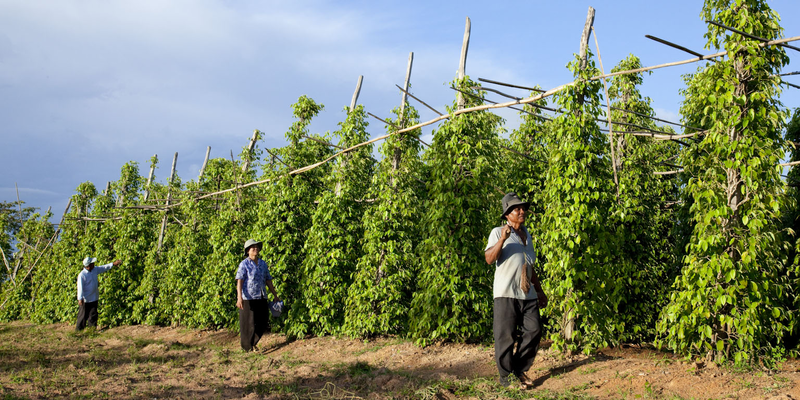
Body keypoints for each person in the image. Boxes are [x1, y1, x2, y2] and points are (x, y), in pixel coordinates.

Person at [485, 192, 548, 389]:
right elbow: (489, 258)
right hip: (505, 294)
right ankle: (506, 378)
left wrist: (539, 290)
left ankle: (518, 369)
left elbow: (530, 266)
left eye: (522, 208)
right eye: (516, 209)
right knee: (506, 337)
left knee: (534, 330)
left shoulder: (526, 234)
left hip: (526, 293)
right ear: (507, 214)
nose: (522, 211)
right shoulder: (498, 232)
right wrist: (502, 239)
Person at [236, 239, 281, 352]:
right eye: (252, 248)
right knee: (248, 323)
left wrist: (275, 294)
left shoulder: (262, 263)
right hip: (248, 297)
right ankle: (247, 347)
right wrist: (239, 297)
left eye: (256, 247)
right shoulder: (244, 264)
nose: (255, 249)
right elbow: (240, 281)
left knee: (263, 320)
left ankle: (253, 342)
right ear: (247, 251)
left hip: (261, 296)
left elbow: (268, 280)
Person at [76, 256, 122, 331]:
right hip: (86, 299)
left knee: (93, 315)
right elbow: (80, 287)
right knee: (83, 316)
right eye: (92, 263)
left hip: (94, 297)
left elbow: (103, 267)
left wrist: (113, 264)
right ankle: (78, 331)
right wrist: (80, 299)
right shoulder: (82, 275)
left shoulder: (94, 270)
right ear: (88, 266)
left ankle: (92, 330)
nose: (94, 264)